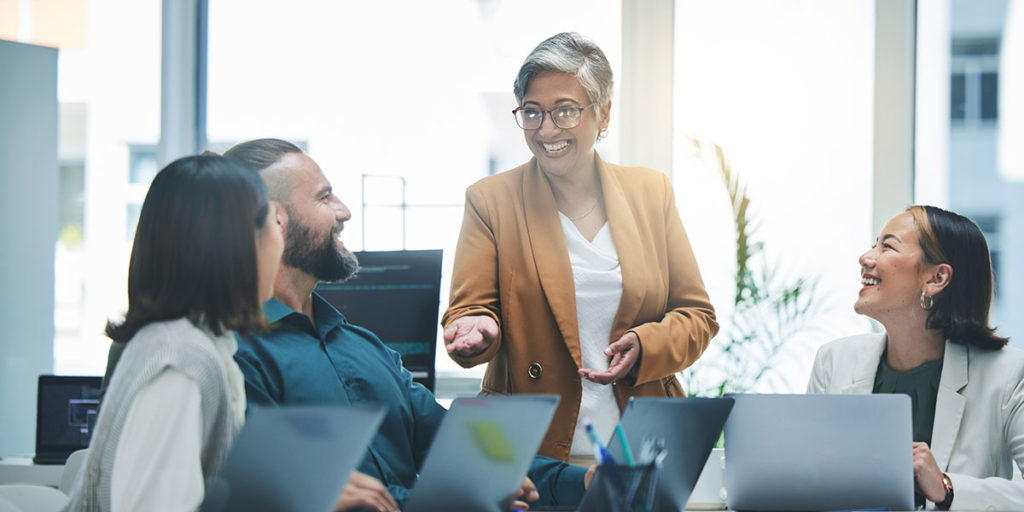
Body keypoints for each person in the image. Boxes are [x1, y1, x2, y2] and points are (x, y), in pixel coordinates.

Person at [224, 139, 591, 511]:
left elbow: (460, 447)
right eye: (324, 197)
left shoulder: (364, 346)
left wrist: (586, 482)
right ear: (275, 220)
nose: (344, 211)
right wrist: (467, 495)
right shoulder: (235, 357)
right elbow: (285, 496)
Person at [441, 32, 719, 465]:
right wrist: (479, 329)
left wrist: (645, 344)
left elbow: (698, 317)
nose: (546, 130)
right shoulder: (490, 200)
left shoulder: (651, 192)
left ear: (603, 113)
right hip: (531, 454)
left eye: (565, 111)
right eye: (532, 113)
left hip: (642, 448)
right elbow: (469, 311)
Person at [65, 154, 284, 511]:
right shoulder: (180, 362)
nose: (281, 238)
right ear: (235, 243)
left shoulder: (184, 344)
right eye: (274, 221)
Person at [807, 205, 1024, 510]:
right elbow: (807, 480)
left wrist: (947, 488)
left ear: (937, 278)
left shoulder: (1009, 374)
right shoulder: (834, 361)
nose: (866, 258)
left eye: (887, 246)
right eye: (874, 244)